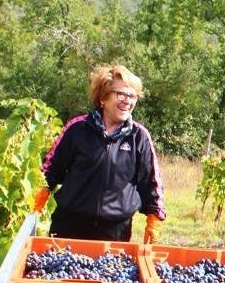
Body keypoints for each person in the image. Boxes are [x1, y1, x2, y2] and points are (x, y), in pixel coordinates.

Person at [32, 64, 166, 243]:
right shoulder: (77, 128)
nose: (127, 101)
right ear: (103, 97)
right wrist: (40, 193)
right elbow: (51, 168)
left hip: (115, 232)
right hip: (68, 227)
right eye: (121, 94)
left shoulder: (139, 136)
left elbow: (152, 183)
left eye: (132, 96)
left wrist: (154, 218)